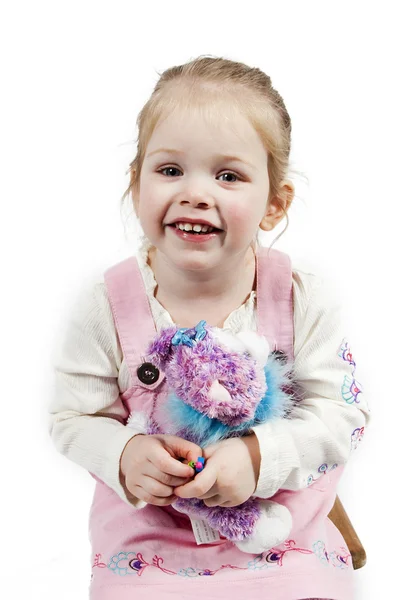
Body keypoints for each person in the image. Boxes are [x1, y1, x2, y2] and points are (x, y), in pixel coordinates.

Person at [49, 55, 370, 600]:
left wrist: (256, 457)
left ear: (274, 203)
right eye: (171, 170)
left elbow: (341, 417)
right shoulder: (108, 303)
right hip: (151, 545)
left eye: (228, 176)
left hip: (285, 535)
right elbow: (73, 418)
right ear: (136, 184)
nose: (197, 192)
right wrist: (124, 456)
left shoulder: (299, 295)